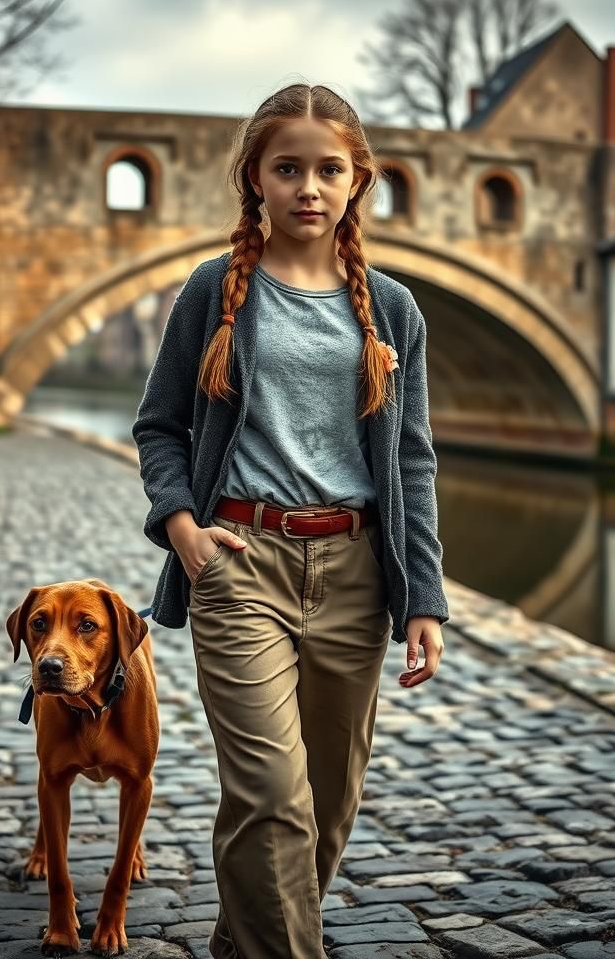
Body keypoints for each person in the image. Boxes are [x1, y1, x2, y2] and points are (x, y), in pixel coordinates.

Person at [131, 82, 448, 959]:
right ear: (255, 181)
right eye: (288, 167)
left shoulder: (392, 310)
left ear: (356, 182)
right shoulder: (214, 292)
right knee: (272, 794)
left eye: (329, 169)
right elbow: (160, 426)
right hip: (240, 561)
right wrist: (183, 529)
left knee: (328, 804)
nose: (309, 186)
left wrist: (423, 595)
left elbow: (410, 461)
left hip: (355, 573)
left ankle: (244, 946)